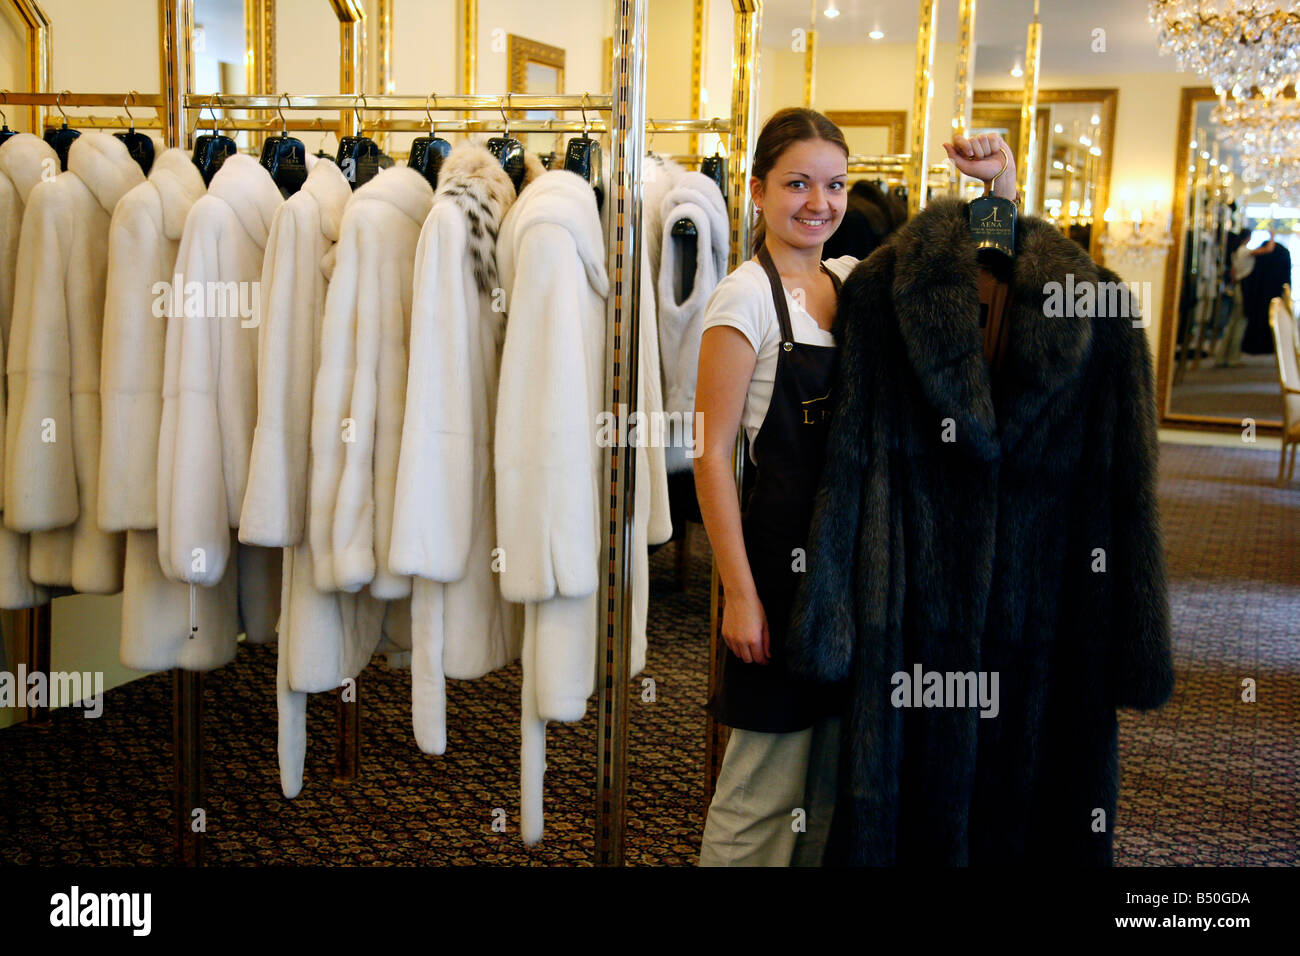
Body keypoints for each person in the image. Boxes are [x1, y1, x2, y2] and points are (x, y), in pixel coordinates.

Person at [693, 106, 1018, 866]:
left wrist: (997, 183)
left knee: (830, 790)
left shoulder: (854, 280)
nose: (819, 203)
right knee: (760, 786)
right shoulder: (742, 300)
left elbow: (984, 277)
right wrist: (739, 594)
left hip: (856, 573)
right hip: (777, 571)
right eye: (797, 183)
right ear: (756, 190)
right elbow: (711, 455)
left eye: (834, 185)